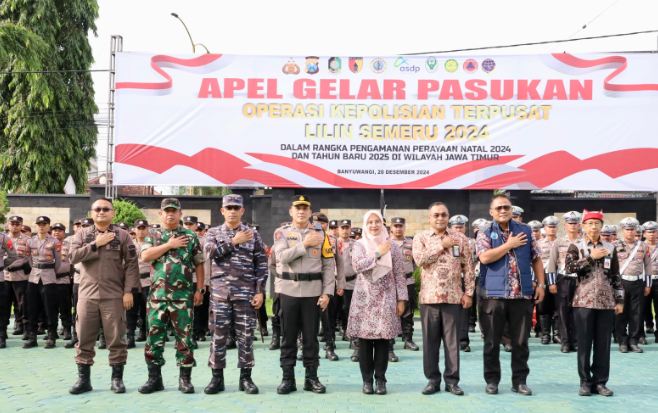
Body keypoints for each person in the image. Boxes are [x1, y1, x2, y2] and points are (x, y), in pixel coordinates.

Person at [476, 193, 546, 396]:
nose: (503, 211)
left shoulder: (525, 230)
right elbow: (485, 257)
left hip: (521, 296)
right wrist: (509, 245)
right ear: (491, 212)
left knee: (521, 342)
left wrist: (541, 284)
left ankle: (520, 381)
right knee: (491, 342)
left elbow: (536, 258)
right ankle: (492, 381)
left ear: (511, 210)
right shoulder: (485, 232)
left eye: (506, 207)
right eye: (498, 208)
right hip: (493, 296)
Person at [69, 198, 140, 394]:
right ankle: (84, 380)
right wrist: (95, 244)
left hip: (113, 295)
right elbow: (72, 257)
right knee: (84, 337)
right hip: (87, 294)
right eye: (97, 209)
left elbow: (132, 264)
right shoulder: (82, 234)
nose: (101, 212)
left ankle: (117, 379)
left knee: (116, 338)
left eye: (106, 209)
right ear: (91, 213)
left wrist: (128, 291)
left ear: (113, 213)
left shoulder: (122, 235)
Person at [138, 198, 205, 394]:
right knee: (154, 338)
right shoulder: (153, 235)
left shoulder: (190, 236)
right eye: (166, 211)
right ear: (161, 214)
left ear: (180, 213)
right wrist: (169, 245)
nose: (170, 214)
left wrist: (200, 289)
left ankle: (185, 379)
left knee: (185, 338)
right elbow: (145, 256)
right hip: (157, 297)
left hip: (183, 297)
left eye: (174, 211)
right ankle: (154, 379)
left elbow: (199, 264)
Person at [202, 194, 268, 395]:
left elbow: (261, 264)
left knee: (246, 337)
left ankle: (246, 378)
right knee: (218, 337)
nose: (232, 211)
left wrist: (260, 291)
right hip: (220, 295)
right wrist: (234, 241)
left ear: (242, 210)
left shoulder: (252, 234)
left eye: (236, 208)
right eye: (228, 208)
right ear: (222, 211)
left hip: (245, 295)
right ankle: (217, 378)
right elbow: (209, 252)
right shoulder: (213, 232)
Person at [272, 195, 335, 395]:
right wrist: (305, 244)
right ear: (291, 211)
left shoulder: (321, 233)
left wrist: (327, 293)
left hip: (312, 293)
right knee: (288, 337)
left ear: (310, 211)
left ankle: (311, 378)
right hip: (288, 291)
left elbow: (328, 265)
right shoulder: (282, 233)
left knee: (311, 338)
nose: (301, 211)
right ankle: (287, 379)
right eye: (297, 208)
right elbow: (281, 257)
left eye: (305, 208)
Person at [414, 203, 475, 396]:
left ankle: (452, 381)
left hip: (453, 298)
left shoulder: (460, 238)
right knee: (430, 344)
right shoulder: (421, 237)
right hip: (429, 299)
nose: (440, 218)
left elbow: (468, 267)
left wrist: (469, 293)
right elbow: (420, 260)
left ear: (448, 217)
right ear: (429, 218)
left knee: (452, 344)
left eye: (443, 215)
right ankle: (432, 380)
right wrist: (442, 245)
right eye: (436, 215)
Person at [347, 210, 407, 395]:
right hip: (364, 299)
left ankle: (380, 380)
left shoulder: (392, 245)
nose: (374, 225)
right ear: (365, 225)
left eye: (377, 221)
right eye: (370, 222)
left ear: (382, 223)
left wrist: (401, 299)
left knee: (382, 341)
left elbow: (399, 274)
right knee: (365, 342)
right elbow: (357, 265)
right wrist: (378, 253)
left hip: (386, 297)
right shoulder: (359, 244)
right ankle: (367, 380)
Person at [564, 210, 624, 397]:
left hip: (606, 303)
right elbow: (569, 268)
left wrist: (619, 299)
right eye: (590, 223)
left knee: (603, 345)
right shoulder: (576, 246)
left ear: (602, 226)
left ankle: (600, 382)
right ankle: (585, 382)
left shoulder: (610, 247)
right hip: (583, 302)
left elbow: (615, 275)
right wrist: (591, 257)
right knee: (584, 344)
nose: (594, 227)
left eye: (597, 223)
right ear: (583, 226)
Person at [23, 216, 62, 349]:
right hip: (33, 277)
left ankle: (51, 337)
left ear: (48, 226)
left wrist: (50, 272)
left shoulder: (55, 241)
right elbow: (29, 259)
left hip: (49, 277)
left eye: (44, 224)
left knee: (50, 308)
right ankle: (32, 337)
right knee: (32, 308)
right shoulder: (30, 241)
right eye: (39, 224)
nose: (41, 226)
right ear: (36, 225)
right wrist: (35, 268)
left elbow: (58, 262)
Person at [614, 217, 651, 353]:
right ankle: (622, 341)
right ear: (622, 230)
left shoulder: (643, 246)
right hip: (621, 283)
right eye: (627, 229)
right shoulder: (615, 245)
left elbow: (648, 266)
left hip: (637, 283)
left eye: (632, 229)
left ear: (636, 230)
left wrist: (648, 285)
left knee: (637, 313)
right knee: (621, 313)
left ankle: (633, 341)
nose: (630, 232)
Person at [546, 211, 582, 352]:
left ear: (579, 225)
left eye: (575, 223)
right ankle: (565, 341)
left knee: (578, 311)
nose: (572, 225)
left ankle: (576, 340)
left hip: (580, 280)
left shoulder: (584, 242)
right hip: (563, 279)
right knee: (563, 311)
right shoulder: (559, 242)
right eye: (570, 223)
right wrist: (551, 283)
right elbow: (552, 263)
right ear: (565, 225)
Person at [390, 217, 419, 353]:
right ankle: (389, 342)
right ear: (391, 227)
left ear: (404, 227)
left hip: (408, 281)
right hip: (391, 282)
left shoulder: (411, 243)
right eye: (395, 226)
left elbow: (415, 262)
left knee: (408, 312)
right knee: (390, 312)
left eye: (400, 226)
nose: (398, 228)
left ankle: (408, 339)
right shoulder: (387, 243)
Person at [335, 219, 360, 361]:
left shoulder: (356, 244)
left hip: (352, 282)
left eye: (347, 228)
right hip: (336, 282)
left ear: (350, 229)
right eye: (342, 228)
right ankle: (331, 341)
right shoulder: (333, 243)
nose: (345, 230)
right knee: (336, 310)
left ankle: (351, 335)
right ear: (338, 229)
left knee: (350, 309)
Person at [126, 219, 152, 347]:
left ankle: (145, 333)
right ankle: (130, 335)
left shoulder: (152, 244)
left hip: (148, 281)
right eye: (139, 228)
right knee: (131, 309)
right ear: (134, 230)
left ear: (147, 229)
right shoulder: (129, 244)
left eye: (143, 228)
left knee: (147, 310)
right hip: (133, 281)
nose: (141, 231)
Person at [4, 216, 30, 341]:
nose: (14, 226)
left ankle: (25, 328)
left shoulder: (27, 240)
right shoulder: (2, 238)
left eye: (17, 224)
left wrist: (18, 264)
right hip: (5, 277)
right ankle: (3, 330)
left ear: (21, 225)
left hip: (21, 277)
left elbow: (29, 257)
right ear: (8, 225)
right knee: (4, 305)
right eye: (12, 224)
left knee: (23, 304)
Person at [51, 223, 73, 343]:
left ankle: (66, 329)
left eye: (59, 230)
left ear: (64, 233)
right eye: (54, 230)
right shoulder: (46, 244)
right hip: (49, 280)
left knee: (65, 307)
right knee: (51, 308)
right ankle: (52, 331)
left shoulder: (69, 244)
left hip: (63, 280)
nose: (56, 232)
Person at [0, 224, 18, 348]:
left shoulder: (3, 238)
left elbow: (13, 256)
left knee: (1, 308)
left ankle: (1, 335)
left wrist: (2, 264)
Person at [642, 221, 658, 343]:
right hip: (644, 280)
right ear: (644, 233)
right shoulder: (640, 246)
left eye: (654, 231)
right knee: (644, 306)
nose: (652, 234)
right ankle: (648, 325)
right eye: (649, 232)